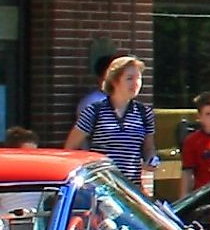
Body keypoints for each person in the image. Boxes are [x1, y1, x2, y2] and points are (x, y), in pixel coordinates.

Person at [64, 54, 156, 188]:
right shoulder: (95, 111)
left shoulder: (144, 113)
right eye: (129, 78)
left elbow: (148, 148)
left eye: (139, 78)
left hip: (131, 189)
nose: (136, 83)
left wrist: (151, 160)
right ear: (114, 81)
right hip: (102, 189)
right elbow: (70, 148)